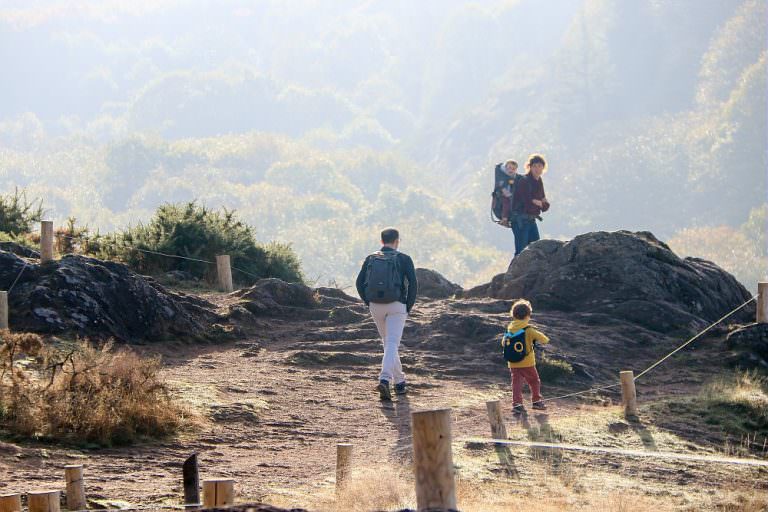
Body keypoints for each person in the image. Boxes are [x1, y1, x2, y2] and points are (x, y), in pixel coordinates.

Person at [355, 228, 418, 401]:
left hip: (376, 305)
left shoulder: (371, 258)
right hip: (397, 305)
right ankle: (384, 378)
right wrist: (407, 306)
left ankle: (400, 383)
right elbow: (413, 284)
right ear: (397, 241)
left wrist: (368, 302)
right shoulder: (404, 258)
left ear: (382, 241)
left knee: (388, 344)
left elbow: (359, 282)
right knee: (391, 343)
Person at [503, 299, 550, 415]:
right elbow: (544, 339)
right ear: (528, 315)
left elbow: (503, 343)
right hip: (527, 362)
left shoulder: (510, 328)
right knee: (534, 381)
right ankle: (536, 401)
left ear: (513, 314)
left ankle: (517, 405)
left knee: (516, 383)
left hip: (513, 362)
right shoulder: (528, 329)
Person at [511, 154, 550, 256]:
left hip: (531, 220)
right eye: (535, 166)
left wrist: (538, 202)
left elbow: (545, 207)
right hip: (520, 221)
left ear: (543, 168)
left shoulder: (539, 181)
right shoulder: (524, 181)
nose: (537, 169)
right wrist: (539, 203)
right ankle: (515, 272)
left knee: (536, 249)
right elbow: (527, 203)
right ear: (530, 167)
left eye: (540, 166)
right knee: (521, 252)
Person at [494, 160, 519, 227]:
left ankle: (509, 219)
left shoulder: (514, 176)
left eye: (513, 169)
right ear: (505, 167)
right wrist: (509, 195)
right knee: (506, 203)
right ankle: (504, 219)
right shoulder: (502, 175)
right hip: (502, 195)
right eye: (509, 168)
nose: (511, 170)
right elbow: (502, 187)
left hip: (510, 194)